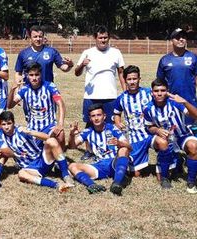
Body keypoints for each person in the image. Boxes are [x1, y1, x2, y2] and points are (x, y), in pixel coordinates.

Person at [74, 25, 126, 160]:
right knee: (90, 123)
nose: (103, 40)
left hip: (110, 95)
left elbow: (121, 73)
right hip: (91, 96)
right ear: (95, 38)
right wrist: (82, 65)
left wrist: (125, 91)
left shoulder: (116, 53)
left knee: (111, 123)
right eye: (100, 37)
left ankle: (111, 148)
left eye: (105, 37)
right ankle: (89, 150)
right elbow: (76, 73)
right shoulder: (87, 52)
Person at [143, 79, 197, 193]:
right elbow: (149, 127)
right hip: (165, 138)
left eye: (162, 90)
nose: (159, 93)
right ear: (152, 92)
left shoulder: (175, 102)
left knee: (193, 146)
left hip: (181, 135)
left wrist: (184, 102)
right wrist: (157, 130)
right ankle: (165, 177)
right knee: (163, 146)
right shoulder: (148, 108)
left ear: (167, 91)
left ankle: (191, 181)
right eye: (156, 91)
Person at [0, 111, 74, 192]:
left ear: (14, 123)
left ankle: (66, 175)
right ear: (0, 125)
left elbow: (47, 137)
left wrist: (30, 132)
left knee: (52, 141)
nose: (6, 127)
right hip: (30, 169)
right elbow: (6, 151)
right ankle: (55, 185)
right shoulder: (0, 136)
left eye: (9, 123)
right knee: (21, 174)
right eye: (3, 124)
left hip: (41, 160)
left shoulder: (22, 130)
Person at [113, 65, 170, 176]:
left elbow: (163, 100)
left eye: (135, 78)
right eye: (129, 79)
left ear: (139, 79)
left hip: (151, 132)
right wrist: (118, 122)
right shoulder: (121, 98)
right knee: (137, 174)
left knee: (163, 143)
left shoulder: (149, 93)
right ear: (125, 80)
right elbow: (116, 113)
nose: (132, 82)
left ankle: (166, 170)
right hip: (135, 137)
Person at [67, 104, 132, 196]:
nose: (96, 118)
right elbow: (72, 146)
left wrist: (119, 143)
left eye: (99, 115)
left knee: (124, 149)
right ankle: (92, 185)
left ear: (104, 116)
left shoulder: (113, 128)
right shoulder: (88, 132)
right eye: (93, 116)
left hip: (114, 162)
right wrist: (72, 135)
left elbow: (129, 147)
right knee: (72, 166)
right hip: (100, 165)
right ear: (90, 118)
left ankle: (117, 182)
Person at [8, 63, 66, 149]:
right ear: (27, 76)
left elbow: (61, 104)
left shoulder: (50, 86)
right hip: (32, 128)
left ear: (41, 75)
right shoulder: (24, 89)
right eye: (31, 75)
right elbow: (10, 105)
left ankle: (58, 159)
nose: (34, 78)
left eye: (36, 75)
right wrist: (12, 90)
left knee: (60, 134)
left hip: (49, 127)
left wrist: (60, 124)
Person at [156, 28, 197, 124]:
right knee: (172, 131)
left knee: (191, 130)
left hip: (190, 101)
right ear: (172, 40)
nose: (181, 39)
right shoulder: (164, 60)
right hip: (170, 101)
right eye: (177, 37)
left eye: (183, 37)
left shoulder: (194, 57)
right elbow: (159, 82)